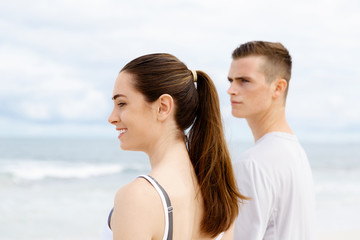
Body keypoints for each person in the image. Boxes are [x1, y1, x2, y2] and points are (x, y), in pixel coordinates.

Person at [106, 53, 247, 240]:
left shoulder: (138, 197)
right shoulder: (220, 197)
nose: (112, 117)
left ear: (163, 107)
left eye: (122, 103)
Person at [227, 41, 315, 239]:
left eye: (244, 81)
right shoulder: (295, 153)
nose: (231, 90)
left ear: (278, 88)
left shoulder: (252, 164)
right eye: (230, 80)